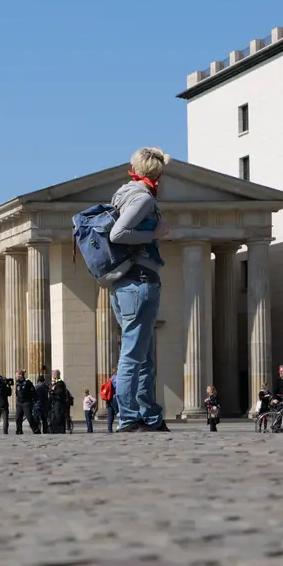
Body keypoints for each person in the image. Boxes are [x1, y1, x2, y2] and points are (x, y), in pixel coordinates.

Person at [109, 147, 172, 432]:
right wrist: (154, 234)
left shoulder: (124, 193)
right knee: (134, 354)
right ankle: (129, 417)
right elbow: (118, 234)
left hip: (126, 283)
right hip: (140, 282)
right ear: (156, 172)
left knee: (142, 353)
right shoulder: (143, 198)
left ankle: (149, 415)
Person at [13, 371, 37, 435]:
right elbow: (17, 391)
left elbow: (33, 392)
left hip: (26, 402)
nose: (16, 377)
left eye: (17, 375)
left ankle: (36, 429)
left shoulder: (28, 382)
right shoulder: (17, 382)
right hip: (19, 402)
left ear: (21, 375)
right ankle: (19, 430)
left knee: (29, 417)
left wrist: (33, 400)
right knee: (18, 417)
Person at [49, 370, 72, 434]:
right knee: (55, 416)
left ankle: (59, 430)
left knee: (59, 416)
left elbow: (59, 392)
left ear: (57, 375)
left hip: (59, 402)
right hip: (55, 402)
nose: (53, 375)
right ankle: (55, 429)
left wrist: (52, 392)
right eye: (52, 374)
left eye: (54, 374)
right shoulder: (55, 383)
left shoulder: (60, 383)